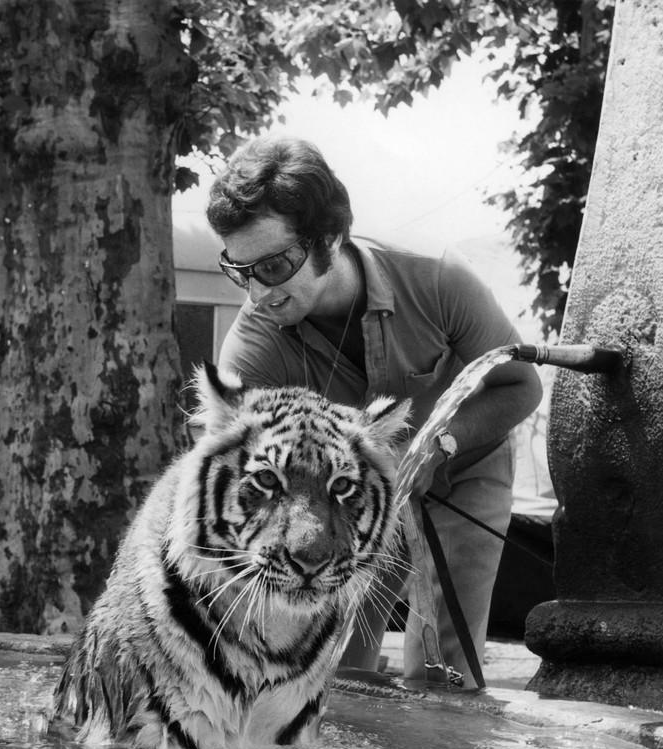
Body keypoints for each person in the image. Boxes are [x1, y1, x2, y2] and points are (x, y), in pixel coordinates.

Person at [205, 135, 542, 689]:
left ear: (330, 239)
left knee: (446, 669)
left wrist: (439, 447)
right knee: (332, 670)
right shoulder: (254, 343)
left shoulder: (435, 276)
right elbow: (222, 463)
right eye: (238, 271)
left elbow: (520, 386)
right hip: (330, 503)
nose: (258, 292)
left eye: (273, 266)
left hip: (462, 474)